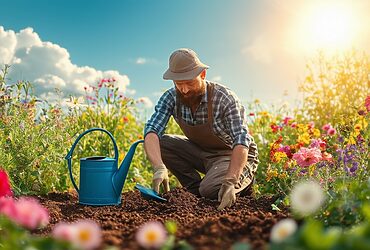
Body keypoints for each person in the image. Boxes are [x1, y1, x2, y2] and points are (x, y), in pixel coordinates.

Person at [143, 48, 259, 210]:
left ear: (203, 75)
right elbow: (152, 131)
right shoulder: (170, 98)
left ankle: (241, 182)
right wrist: (158, 167)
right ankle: (194, 191)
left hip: (231, 154)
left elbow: (241, 140)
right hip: (201, 152)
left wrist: (231, 180)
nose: (184, 90)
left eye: (189, 83)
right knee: (162, 143)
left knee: (211, 189)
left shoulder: (223, 98)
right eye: (178, 84)